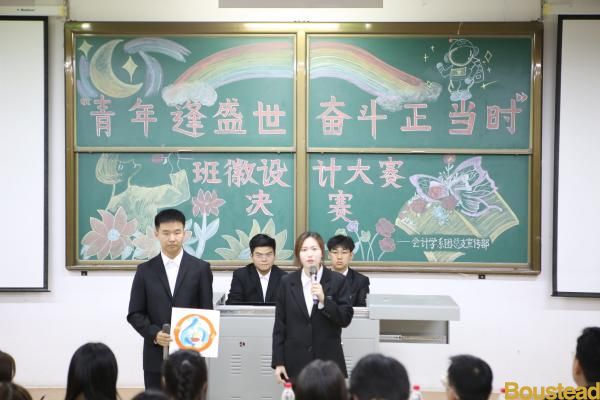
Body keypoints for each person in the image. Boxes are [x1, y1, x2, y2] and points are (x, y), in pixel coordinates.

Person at [127, 208, 213, 390]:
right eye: (166, 233)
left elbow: (206, 313)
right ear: (156, 233)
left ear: (185, 233)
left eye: (177, 232)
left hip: (191, 356)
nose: (172, 238)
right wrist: (154, 334)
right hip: (155, 356)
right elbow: (135, 313)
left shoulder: (201, 269)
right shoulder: (144, 271)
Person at [272, 231, 353, 383]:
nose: (309, 254)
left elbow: (345, 319)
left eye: (314, 249)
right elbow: (280, 326)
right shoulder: (287, 282)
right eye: (304, 250)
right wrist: (279, 362)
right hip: (295, 363)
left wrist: (324, 300)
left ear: (322, 253)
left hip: (328, 363)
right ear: (298, 255)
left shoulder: (337, 281)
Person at [226, 233, 286, 304]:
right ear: (251, 256)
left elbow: (289, 305)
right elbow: (233, 304)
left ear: (275, 256)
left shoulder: (284, 278)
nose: (264, 259)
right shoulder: (241, 276)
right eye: (259, 255)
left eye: (268, 254)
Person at [327, 234, 370, 307]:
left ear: (351, 255)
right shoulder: (320, 278)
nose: (339, 257)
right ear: (329, 255)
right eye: (335, 252)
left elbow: (362, 309)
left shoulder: (361, 281)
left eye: (344, 252)